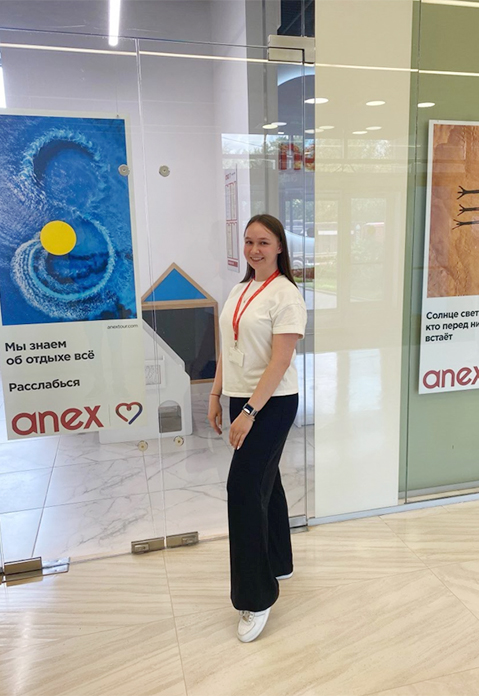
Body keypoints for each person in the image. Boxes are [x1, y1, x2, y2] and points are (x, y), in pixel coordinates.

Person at [208, 213, 307, 643]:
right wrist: (216, 394)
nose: (254, 250)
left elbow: (281, 360)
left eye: (264, 242)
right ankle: (279, 561)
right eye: (249, 241)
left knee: (244, 488)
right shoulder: (240, 289)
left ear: (280, 246)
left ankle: (257, 596)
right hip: (241, 397)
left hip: (271, 403)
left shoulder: (286, 295)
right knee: (267, 479)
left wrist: (249, 412)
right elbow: (227, 346)